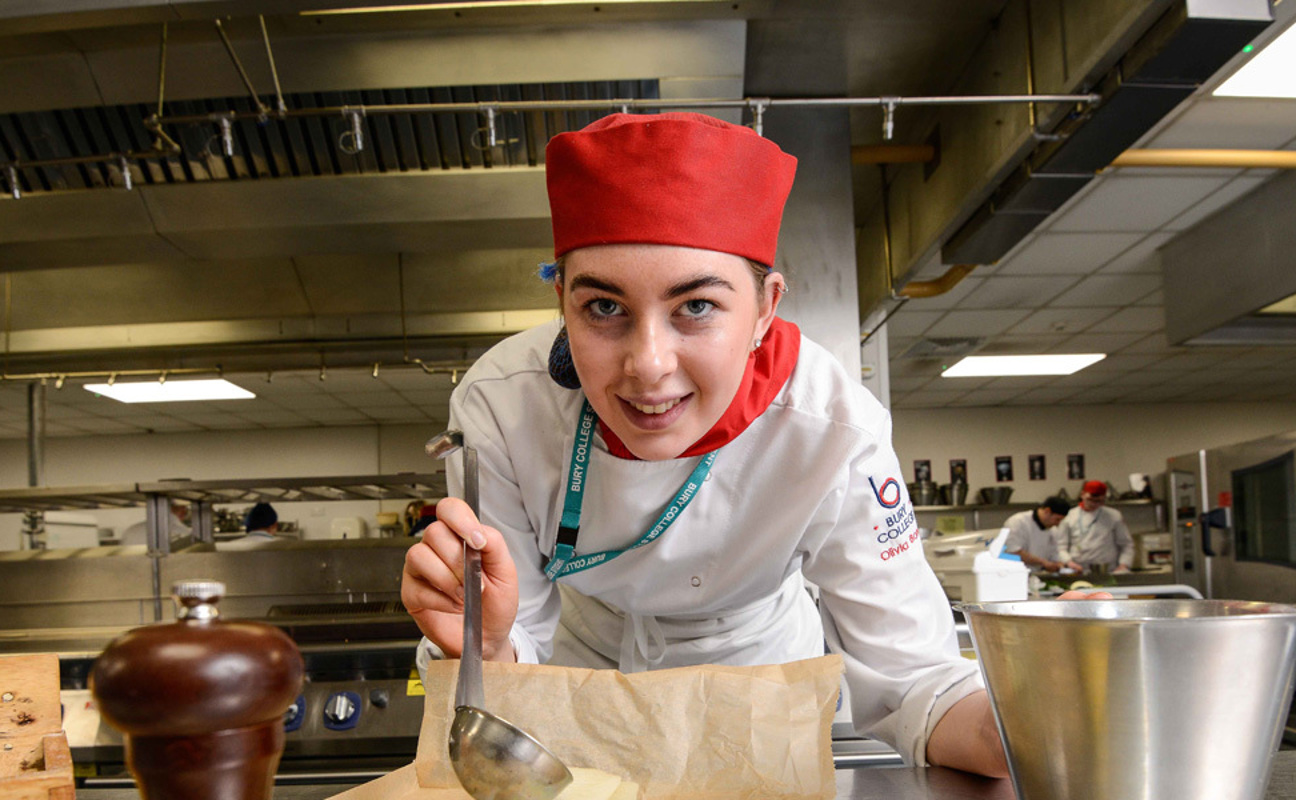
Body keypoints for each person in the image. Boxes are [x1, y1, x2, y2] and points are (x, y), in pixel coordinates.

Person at [401, 112, 1008, 777]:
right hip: (577, 686)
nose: (649, 365)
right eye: (604, 308)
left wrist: (1047, 722)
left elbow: (916, 678)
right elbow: (510, 647)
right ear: (562, 300)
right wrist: (483, 648)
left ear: (766, 308)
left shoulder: (834, 431)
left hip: (761, 683)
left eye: (696, 307)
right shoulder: (504, 403)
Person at [1054, 481, 1133, 573]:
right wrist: (1069, 562)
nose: (1094, 504)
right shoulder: (1069, 516)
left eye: (1098, 501)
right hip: (1078, 569)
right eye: (1090, 499)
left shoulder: (1114, 516)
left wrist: (1124, 565)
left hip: (1108, 569)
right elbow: (1060, 547)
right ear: (1082, 494)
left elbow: (1126, 544)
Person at [1002, 497, 1081, 572]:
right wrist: (1044, 563)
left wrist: (1061, 564)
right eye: (1057, 519)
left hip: (1035, 575)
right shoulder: (1017, 522)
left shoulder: (1053, 530)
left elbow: (1054, 554)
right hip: (1011, 573)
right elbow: (1014, 551)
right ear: (1047, 511)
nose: (1058, 524)